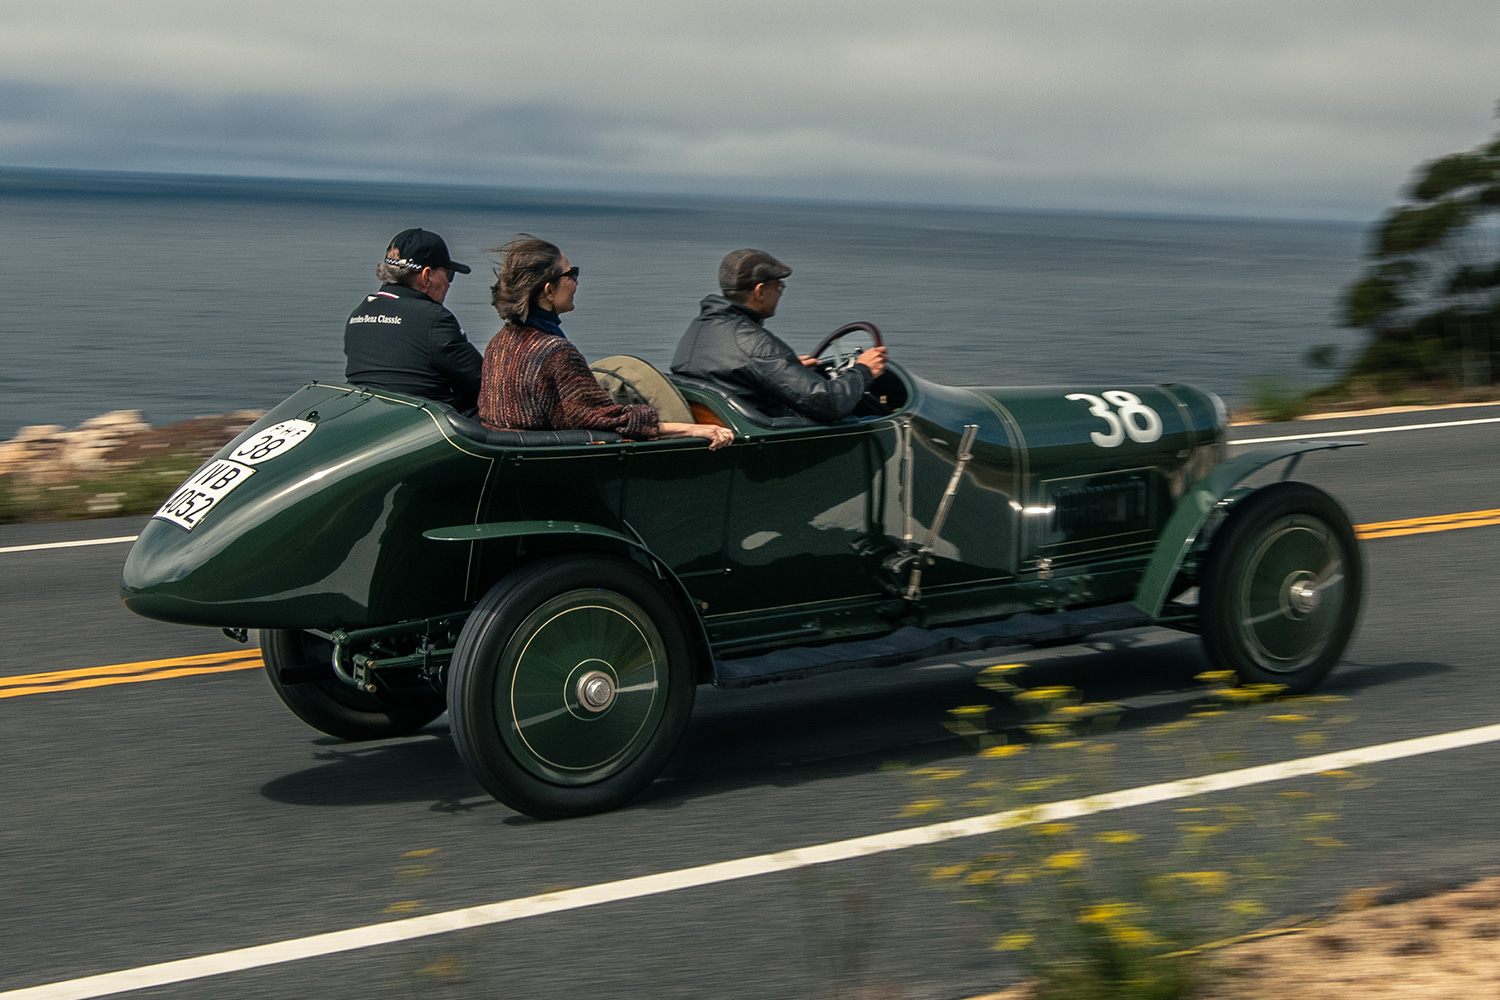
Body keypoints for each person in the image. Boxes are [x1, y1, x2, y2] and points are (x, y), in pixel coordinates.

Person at [477, 236, 733, 449]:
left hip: (516, 457)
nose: (577, 281)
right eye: (571, 274)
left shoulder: (498, 344)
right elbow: (609, 421)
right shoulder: (556, 353)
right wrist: (696, 429)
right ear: (549, 290)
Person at [671, 249, 887, 422]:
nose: (780, 292)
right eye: (779, 287)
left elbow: (739, 373)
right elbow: (829, 403)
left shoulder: (700, 327)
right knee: (875, 420)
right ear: (760, 291)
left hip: (734, 425)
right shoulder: (755, 343)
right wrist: (863, 371)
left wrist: (788, 369)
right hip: (776, 438)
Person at [343, 228, 483, 412]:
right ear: (426, 276)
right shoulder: (434, 319)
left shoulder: (358, 315)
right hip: (425, 422)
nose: (448, 283)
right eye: (448, 274)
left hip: (368, 414)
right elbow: (484, 382)